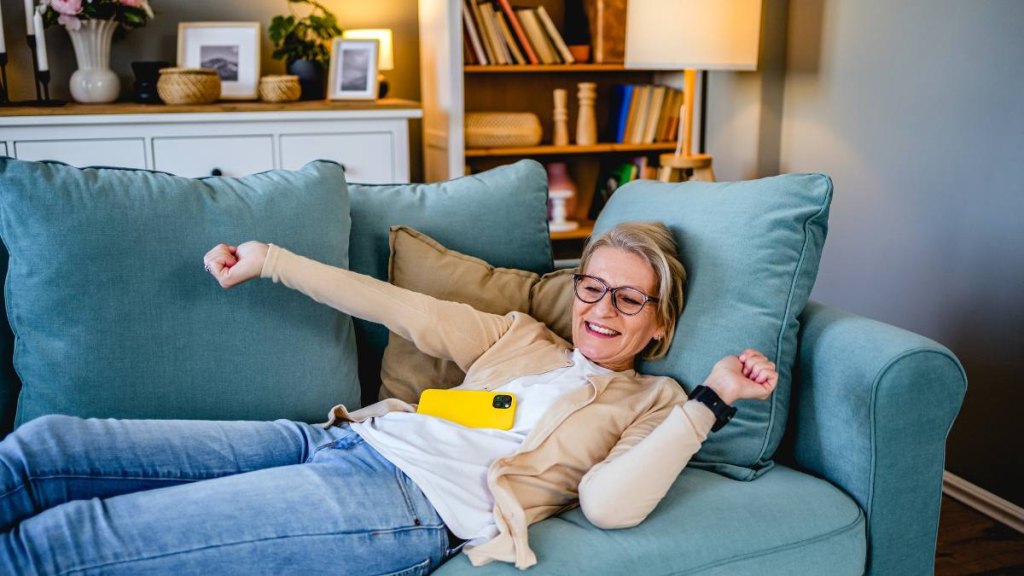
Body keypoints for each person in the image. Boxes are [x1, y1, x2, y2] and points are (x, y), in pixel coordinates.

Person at [0, 222, 777, 574]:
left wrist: (708, 401)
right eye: (592, 287)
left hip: (400, 504)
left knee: (67, 544)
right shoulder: (521, 339)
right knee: (46, 450)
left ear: (660, 323)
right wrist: (270, 260)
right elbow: (397, 307)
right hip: (333, 439)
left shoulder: (655, 401)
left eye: (628, 301)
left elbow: (610, 503)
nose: (600, 311)